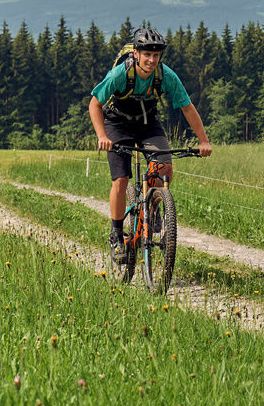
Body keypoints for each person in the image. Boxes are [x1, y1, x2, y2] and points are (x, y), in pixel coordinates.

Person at [89, 26, 212, 262]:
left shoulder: (166, 76)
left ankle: (152, 208)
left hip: (147, 123)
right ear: (136, 54)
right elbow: (95, 104)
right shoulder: (120, 75)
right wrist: (102, 136)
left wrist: (203, 141)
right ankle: (116, 234)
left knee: (164, 166)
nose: (151, 60)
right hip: (117, 124)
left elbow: (187, 107)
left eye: (156, 55)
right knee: (121, 179)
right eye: (147, 54)